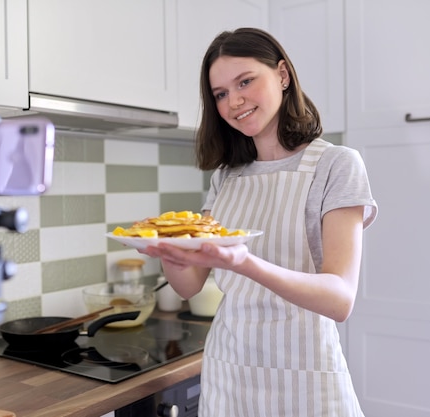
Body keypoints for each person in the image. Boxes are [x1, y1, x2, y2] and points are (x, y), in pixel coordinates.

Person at [143, 28, 378, 416]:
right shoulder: (226, 177)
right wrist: (168, 248)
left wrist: (244, 262)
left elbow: (340, 299)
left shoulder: (336, 165)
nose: (234, 101)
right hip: (228, 376)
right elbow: (188, 286)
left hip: (305, 378)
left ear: (283, 75)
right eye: (220, 94)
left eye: (245, 81)